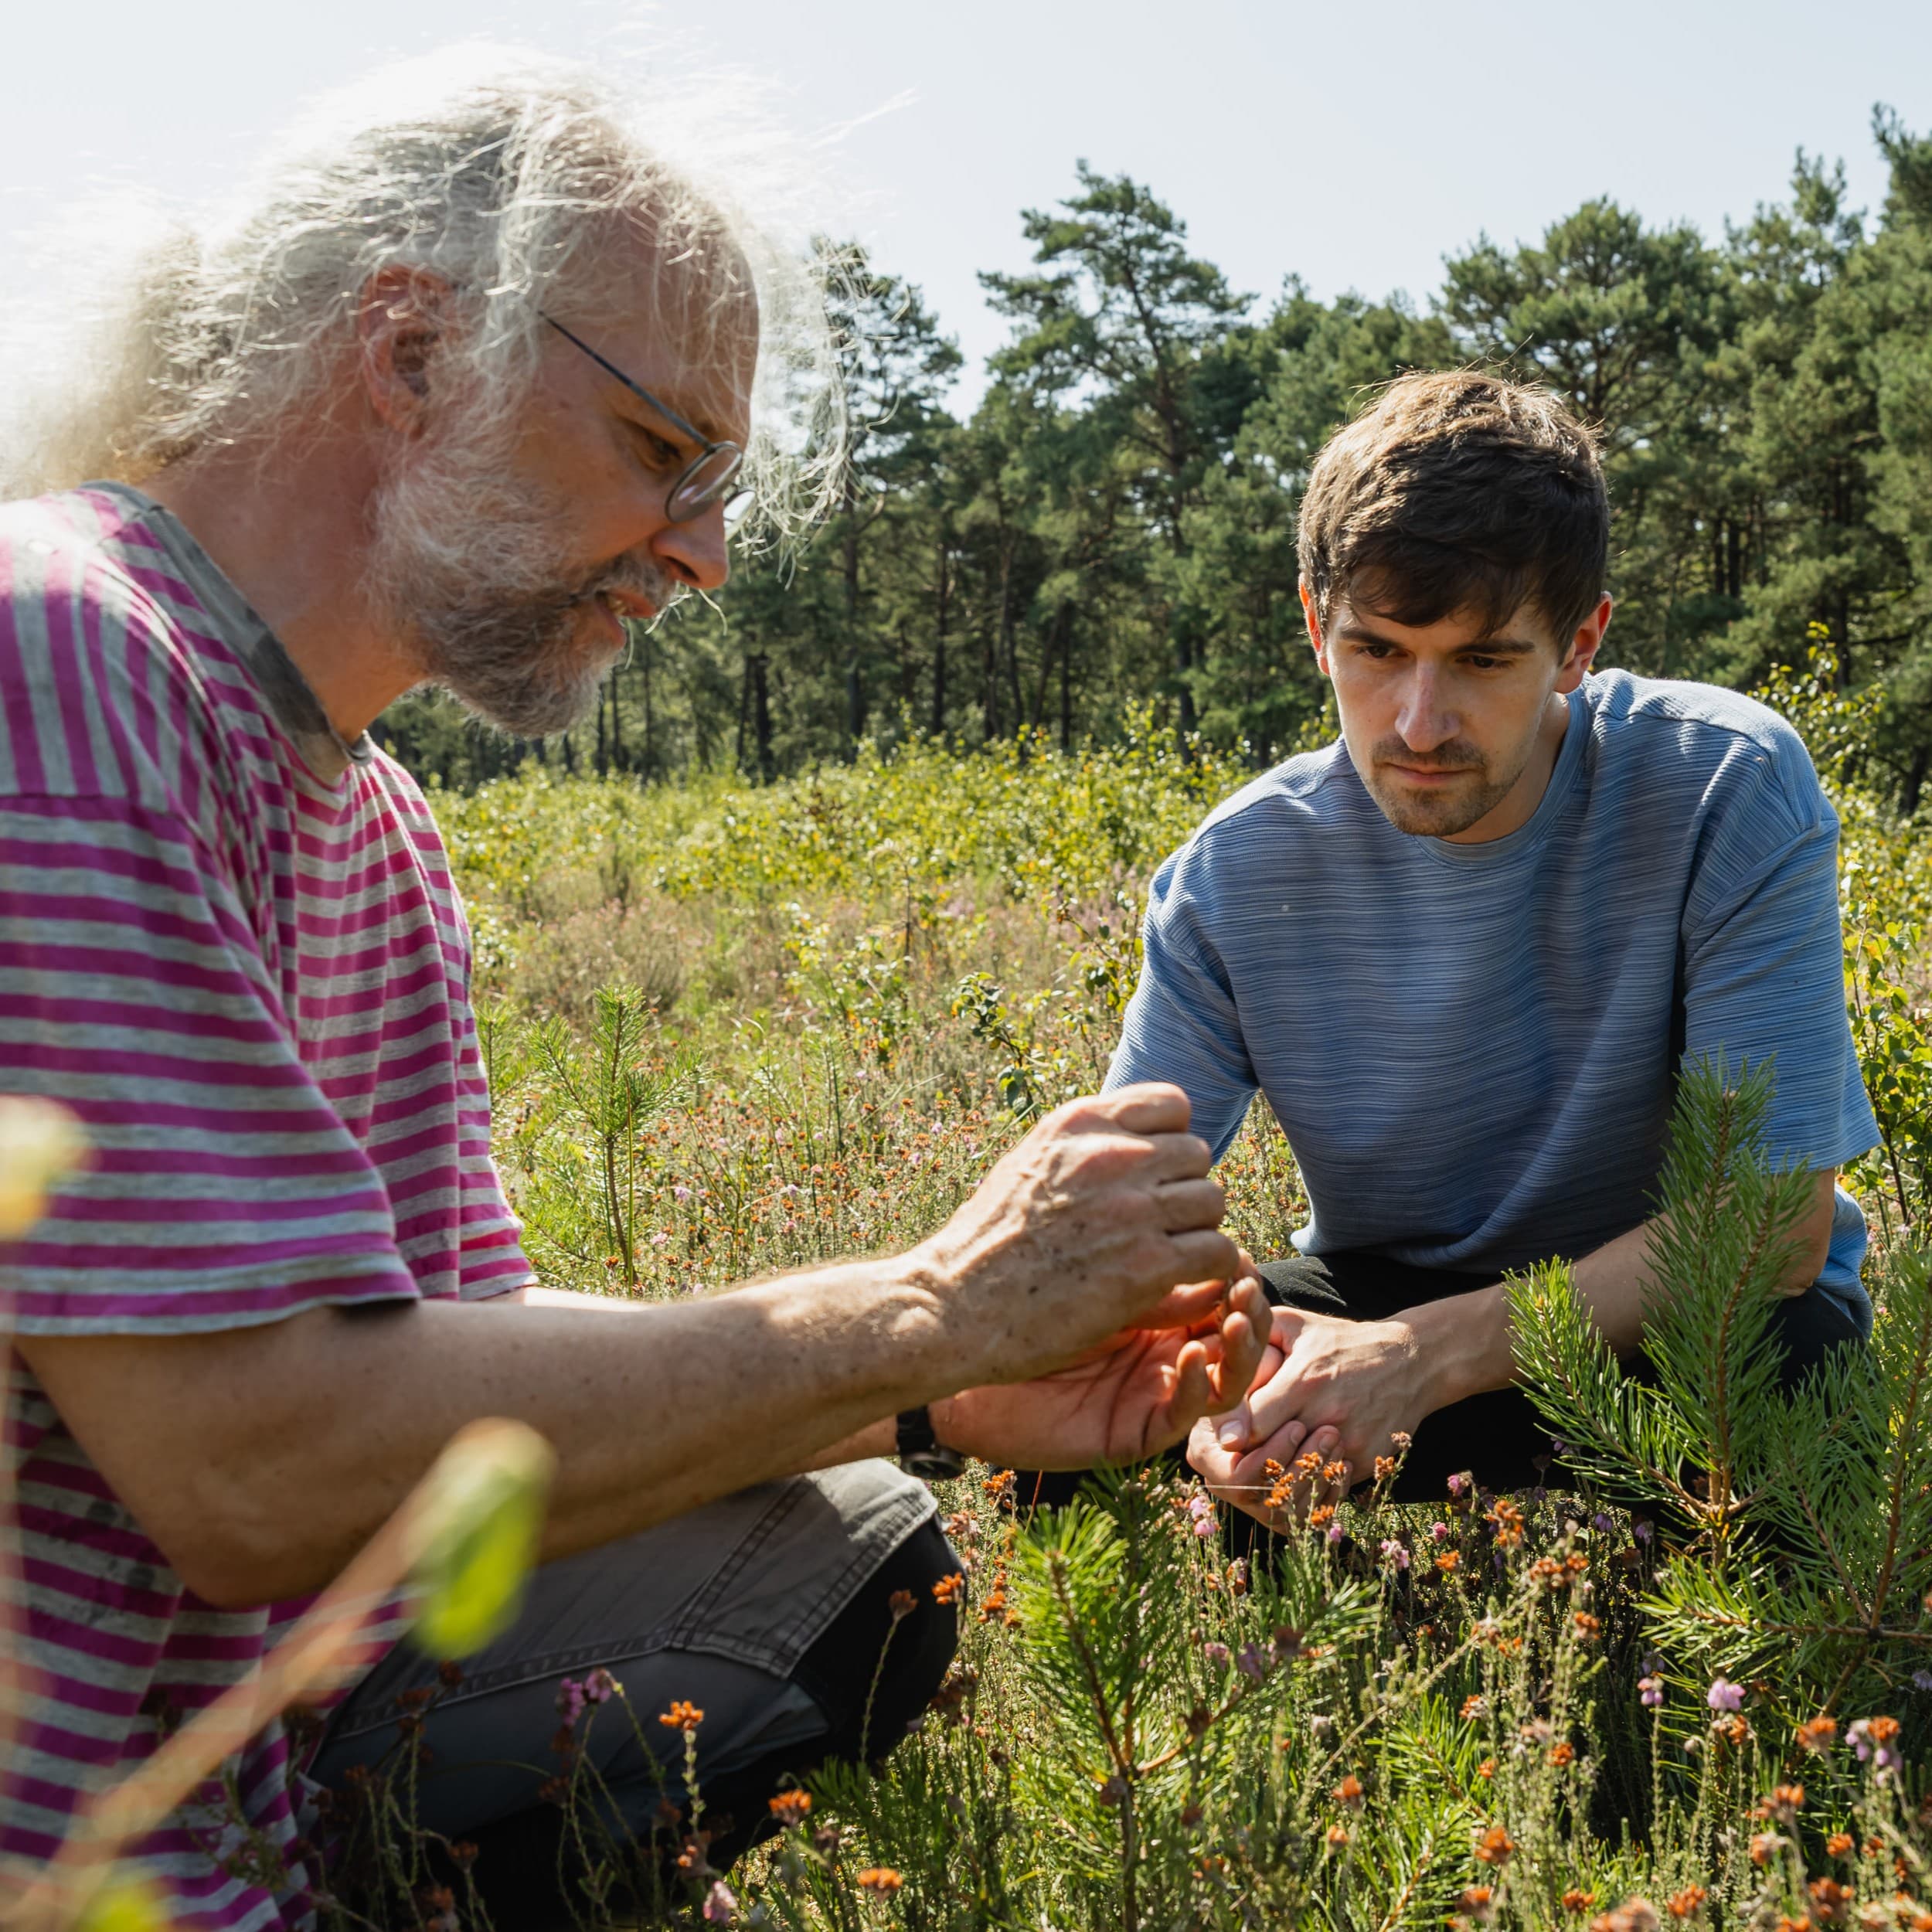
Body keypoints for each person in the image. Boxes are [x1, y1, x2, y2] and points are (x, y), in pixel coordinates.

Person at [0, 52, 1267, 1932]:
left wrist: (937, 1390)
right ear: (412, 349)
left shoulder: (369, 808)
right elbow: (251, 1464)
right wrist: (923, 1303)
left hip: (235, 1770)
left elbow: (459, 1344)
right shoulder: (67, 676)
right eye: (668, 450)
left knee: (854, 1550)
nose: (704, 553)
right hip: (79, 1856)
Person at [1102, 370, 1880, 1532]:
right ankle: (1280, 1675)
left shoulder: (1723, 783)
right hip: (1385, 1294)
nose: (1418, 725)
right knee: (1109, 1389)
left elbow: (1771, 1228)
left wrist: (1418, 1360)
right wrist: (1211, 1373)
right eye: (1376, 652)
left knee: (1792, 1366)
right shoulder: (1236, 874)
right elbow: (1116, 1222)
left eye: (1481, 660)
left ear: (1579, 644)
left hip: (1676, 1318)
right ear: (1317, 629)